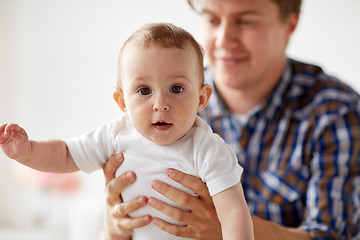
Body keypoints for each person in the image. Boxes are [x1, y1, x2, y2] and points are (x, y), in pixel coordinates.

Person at [102, 0, 360, 239]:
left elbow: (334, 235)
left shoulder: (335, 113)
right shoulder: (161, 99)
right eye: (213, 20)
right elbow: (111, 224)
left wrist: (228, 226)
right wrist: (116, 227)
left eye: (246, 21)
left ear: (289, 26)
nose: (224, 39)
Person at [0, 23, 254, 240]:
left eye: (176, 89)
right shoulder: (116, 133)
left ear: (201, 98)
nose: (160, 104)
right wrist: (28, 151)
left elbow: (233, 212)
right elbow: (65, 155)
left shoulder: (207, 148)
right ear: (122, 103)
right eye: (144, 91)